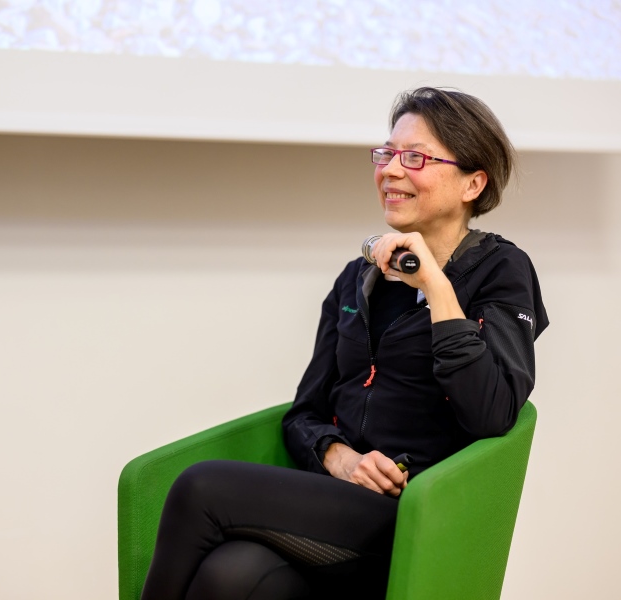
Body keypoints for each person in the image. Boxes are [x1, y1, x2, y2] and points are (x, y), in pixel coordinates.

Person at [140, 87, 549, 600]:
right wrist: (340, 458)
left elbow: (492, 411)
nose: (391, 171)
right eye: (387, 154)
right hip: (336, 507)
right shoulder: (357, 280)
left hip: (421, 515)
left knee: (200, 487)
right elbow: (304, 414)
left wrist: (436, 287)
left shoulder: (501, 270)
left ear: (473, 182)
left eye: (415, 158)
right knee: (230, 573)